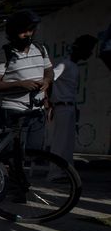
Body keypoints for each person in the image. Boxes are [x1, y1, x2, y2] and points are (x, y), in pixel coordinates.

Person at [0, 9, 54, 149]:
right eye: (23, 31)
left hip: (37, 110)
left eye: (31, 30)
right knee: (12, 152)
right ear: (12, 33)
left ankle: (23, 171)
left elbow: (49, 71)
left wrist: (47, 81)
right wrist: (20, 85)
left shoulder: (40, 49)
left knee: (34, 149)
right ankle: (12, 170)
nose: (28, 34)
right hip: (13, 110)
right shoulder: (3, 55)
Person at [48, 34, 97, 167]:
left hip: (70, 107)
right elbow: (50, 79)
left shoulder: (74, 66)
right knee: (60, 142)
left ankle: (65, 171)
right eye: (89, 50)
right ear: (80, 49)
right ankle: (55, 173)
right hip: (62, 107)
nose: (90, 53)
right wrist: (49, 102)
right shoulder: (65, 64)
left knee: (68, 143)